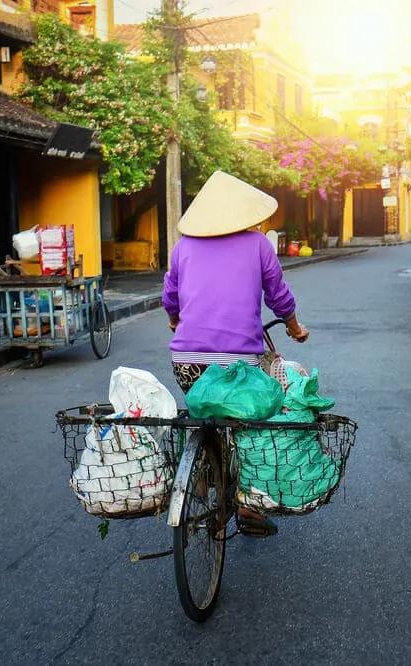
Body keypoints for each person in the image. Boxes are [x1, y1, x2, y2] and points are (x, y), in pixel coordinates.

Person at [162, 171, 309, 536]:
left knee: (204, 409)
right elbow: (278, 296)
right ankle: (248, 506)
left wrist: (175, 319)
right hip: (239, 364)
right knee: (248, 426)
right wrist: (294, 327)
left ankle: (200, 472)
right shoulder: (258, 244)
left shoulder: (182, 247)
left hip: (187, 363)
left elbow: (170, 297)